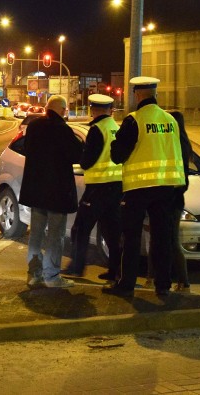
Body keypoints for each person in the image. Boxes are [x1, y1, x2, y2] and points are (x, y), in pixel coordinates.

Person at [103, 76, 186, 297]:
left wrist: (114, 143)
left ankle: (126, 284)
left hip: (138, 188)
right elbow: (180, 152)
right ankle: (163, 285)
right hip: (167, 188)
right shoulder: (171, 120)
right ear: (155, 94)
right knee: (162, 237)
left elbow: (118, 155)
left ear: (137, 95)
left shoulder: (134, 120)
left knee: (131, 236)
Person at [20, 95, 83, 288]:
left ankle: (34, 274)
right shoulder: (62, 130)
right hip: (57, 192)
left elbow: (26, 149)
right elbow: (77, 154)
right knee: (55, 235)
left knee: (36, 233)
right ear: (62, 110)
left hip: (36, 191)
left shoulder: (34, 126)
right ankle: (52, 276)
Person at [61, 94, 123, 280]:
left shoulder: (97, 129)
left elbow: (88, 161)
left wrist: (80, 161)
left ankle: (77, 267)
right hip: (116, 187)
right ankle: (115, 271)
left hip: (97, 188)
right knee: (111, 232)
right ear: (109, 110)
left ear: (93, 109)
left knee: (80, 228)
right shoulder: (115, 128)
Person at [144, 111, 192, 292]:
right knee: (163, 240)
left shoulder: (174, 144)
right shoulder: (181, 144)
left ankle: (179, 281)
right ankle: (157, 278)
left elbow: (178, 179)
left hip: (167, 199)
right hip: (171, 198)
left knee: (164, 240)